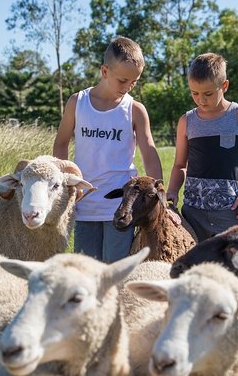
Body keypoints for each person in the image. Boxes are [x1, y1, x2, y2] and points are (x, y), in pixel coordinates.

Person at [53, 36, 163, 263]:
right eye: (123, 80)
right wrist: (63, 183)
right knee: (86, 270)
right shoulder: (77, 102)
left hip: (122, 206)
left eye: (134, 81)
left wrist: (158, 193)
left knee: (115, 269)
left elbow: (149, 152)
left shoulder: (135, 109)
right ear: (104, 71)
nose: (129, 87)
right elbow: (61, 142)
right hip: (85, 204)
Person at [166, 53, 238, 242]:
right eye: (194, 93)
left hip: (230, 213)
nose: (200, 100)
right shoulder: (186, 121)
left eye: (208, 94)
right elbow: (180, 164)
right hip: (193, 213)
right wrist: (172, 190)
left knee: (232, 265)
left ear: (224, 86)